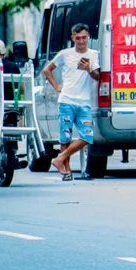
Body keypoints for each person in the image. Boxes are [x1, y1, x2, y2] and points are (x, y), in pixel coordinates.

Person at [44, 23, 100, 181]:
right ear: (72, 38)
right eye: (78, 38)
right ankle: (66, 171)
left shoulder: (93, 54)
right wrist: (56, 86)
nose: (81, 41)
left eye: (84, 37)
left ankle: (59, 159)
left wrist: (89, 68)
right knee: (65, 137)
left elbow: (97, 76)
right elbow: (47, 70)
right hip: (66, 100)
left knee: (87, 136)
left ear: (88, 37)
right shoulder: (65, 54)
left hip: (84, 102)